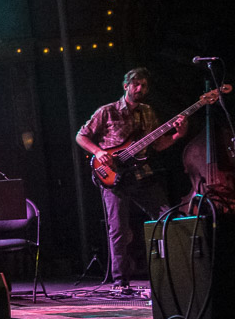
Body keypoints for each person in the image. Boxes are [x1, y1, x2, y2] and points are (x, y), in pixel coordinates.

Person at [76, 67, 187, 289]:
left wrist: (178, 135)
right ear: (126, 86)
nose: (140, 89)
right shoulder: (107, 112)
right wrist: (99, 152)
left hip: (141, 174)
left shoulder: (148, 112)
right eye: (136, 84)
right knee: (118, 230)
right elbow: (81, 136)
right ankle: (120, 283)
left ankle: (174, 272)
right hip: (114, 178)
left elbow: (158, 144)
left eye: (144, 85)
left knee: (167, 217)